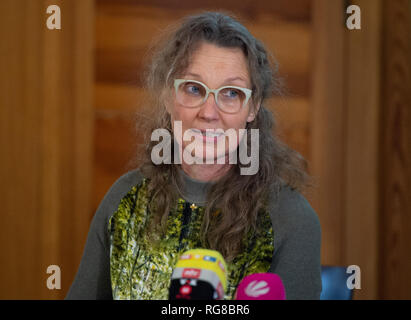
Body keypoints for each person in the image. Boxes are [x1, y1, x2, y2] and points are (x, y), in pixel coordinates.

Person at [66, 11, 322, 300]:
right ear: (168, 98)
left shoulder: (292, 220)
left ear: (253, 108)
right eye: (193, 88)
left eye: (230, 93)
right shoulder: (124, 200)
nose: (209, 113)